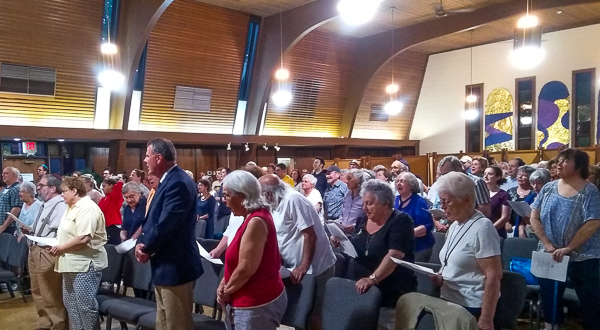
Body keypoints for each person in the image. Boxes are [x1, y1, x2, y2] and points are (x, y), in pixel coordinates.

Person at [135, 138, 203, 330]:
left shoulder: (178, 182)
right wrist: (142, 243)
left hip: (176, 266)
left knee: (176, 324)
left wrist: (147, 248)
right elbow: (152, 220)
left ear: (158, 158)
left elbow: (166, 225)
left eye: (147, 156)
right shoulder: (169, 180)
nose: (144, 160)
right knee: (164, 323)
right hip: (166, 264)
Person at [331, 180, 417, 329]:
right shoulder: (363, 220)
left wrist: (372, 279)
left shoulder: (401, 221)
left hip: (389, 294)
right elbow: (361, 248)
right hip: (361, 293)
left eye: (369, 203)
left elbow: (395, 255)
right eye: (363, 203)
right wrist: (342, 243)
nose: (364, 208)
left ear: (385, 204)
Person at [530, 148, 600, 330]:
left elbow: (593, 223)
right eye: (559, 160)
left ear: (579, 166)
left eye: (565, 160)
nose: (558, 164)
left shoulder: (589, 191)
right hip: (550, 253)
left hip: (583, 257)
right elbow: (534, 217)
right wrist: (547, 244)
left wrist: (569, 248)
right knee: (549, 297)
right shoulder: (548, 188)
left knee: (589, 300)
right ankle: (551, 326)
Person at [260, 174, 335, 329]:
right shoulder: (273, 203)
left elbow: (310, 234)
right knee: (300, 315)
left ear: (268, 194)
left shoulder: (293, 199)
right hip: (294, 265)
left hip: (317, 267)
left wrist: (303, 266)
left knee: (314, 314)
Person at [430, 172, 502, 330]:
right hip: (449, 299)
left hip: (471, 306)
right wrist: (441, 274)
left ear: (467, 199)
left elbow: (494, 276)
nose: (442, 207)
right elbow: (451, 259)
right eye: (441, 201)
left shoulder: (483, 228)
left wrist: (486, 318)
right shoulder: (455, 224)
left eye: (446, 201)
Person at [218, 171, 287, 330]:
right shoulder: (250, 217)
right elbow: (238, 261)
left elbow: (246, 268)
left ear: (242, 196)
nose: (225, 201)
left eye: (227, 195)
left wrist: (226, 291)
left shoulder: (256, 221)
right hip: (248, 298)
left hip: (256, 303)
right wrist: (224, 283)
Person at [50, 176, 108, 330]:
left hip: (85, 264)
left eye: (64, 191)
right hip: (70, 262)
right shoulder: (71, 207)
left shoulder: (87, 208)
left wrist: (61, 248)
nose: (62, 194)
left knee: (85, 306)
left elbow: (83, 238)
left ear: (75, 191)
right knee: (71, 304)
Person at [26, 174, 68, 330]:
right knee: (36, 290)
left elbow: (62, 230)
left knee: (50, 291)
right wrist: (29, 229)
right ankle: (45, 322)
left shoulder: (60, 205)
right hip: (35, 249)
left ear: (52, 188)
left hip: (47, 251)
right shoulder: (44, 204)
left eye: (41, 185)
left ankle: (59, 324)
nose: (38, 187)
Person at [393, 172, 435, 262]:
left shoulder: (419, 202)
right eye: (397, 181)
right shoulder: (395, 200)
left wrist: (408, 234)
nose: (398, 183)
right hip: (401, 246)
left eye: (402, 181)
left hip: (420, 247)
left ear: (411, 185)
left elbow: (428, 225)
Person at [506, 165, 536, 238]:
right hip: (510, 227)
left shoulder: (534, 193)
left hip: (528, 226)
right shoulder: (511, 191)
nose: (520, 177)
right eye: (519, 174)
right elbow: (505, 209)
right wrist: (506, 223)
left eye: (524, 175)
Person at [483, 166, 511, 238]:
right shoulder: (481, 194)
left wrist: (490, 229)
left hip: (496, 233)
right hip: (481, 231)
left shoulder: (504, 195)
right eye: (484, 174)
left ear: (498, 177)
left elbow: (505, 217)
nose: (486, 176)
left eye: (490, 174)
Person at [336, 169, 367, 233]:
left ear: (358, 180)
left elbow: (367, 217)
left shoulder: (365, 196)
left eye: (349, 179)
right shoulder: (347, 194)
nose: (346, 181)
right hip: (343, 231)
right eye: (346, 178)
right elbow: (343, 213)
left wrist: (354, 226)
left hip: (358, 233)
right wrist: (338, 223)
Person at [98, 177, 124, 245]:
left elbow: (119, 185)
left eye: (104, 186)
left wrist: (118, 180)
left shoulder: (115, 197)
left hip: (113, 226)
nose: (103, 188)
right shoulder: (103, 199)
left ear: (111, 186)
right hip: (105, 226)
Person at [0, 167, 22, 234]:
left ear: (14, 176)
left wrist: (4, 226)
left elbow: (16, 209)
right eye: (3, 173)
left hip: (10, 227)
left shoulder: (16, 188)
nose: (3, 175)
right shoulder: (6, 188)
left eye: (6, 173)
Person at [215, 168, 232, 234]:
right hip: (222, 210)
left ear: (228, 174)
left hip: (227, 211)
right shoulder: (223, 183)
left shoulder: (229, 183)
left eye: (223, 172)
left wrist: (222, 198)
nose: (221, 174)